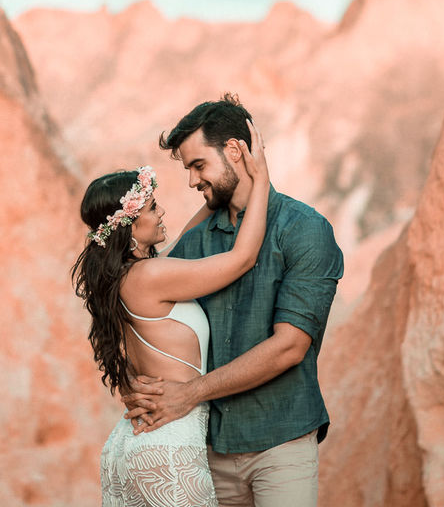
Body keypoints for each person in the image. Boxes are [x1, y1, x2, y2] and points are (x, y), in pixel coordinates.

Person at [124, 94, 343, 507]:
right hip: (209, 448)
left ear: (236, 151)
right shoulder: (198, 242)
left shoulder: (305, 231)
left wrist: (188, 394)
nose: (192, 181)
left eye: (198, 165)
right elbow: (152, 303)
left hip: (282, 445)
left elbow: (290, 347)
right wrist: (142, 387)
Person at [72, 119, 270, 507]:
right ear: (128, 228)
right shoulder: (151, 276)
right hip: (170, 447)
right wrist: (260, 179)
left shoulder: (128, 277)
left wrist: (221, 191)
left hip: (132, 444)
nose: (161, 212)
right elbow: (243, 258)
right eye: (151, 208)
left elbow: (190, 229)